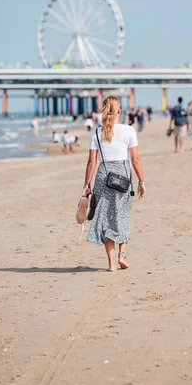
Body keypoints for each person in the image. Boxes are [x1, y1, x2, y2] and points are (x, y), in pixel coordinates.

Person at [81, 96, 145, 272]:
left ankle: (111, 265)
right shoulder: (129, 131)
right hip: (123, 176)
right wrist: (142, 181)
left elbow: (91, 163)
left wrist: (86, 185)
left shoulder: (96, 133)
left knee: (107, 219)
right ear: (119, 111)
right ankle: (122, 255)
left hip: (103, 177)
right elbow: (135, 159)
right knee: (122, 216)